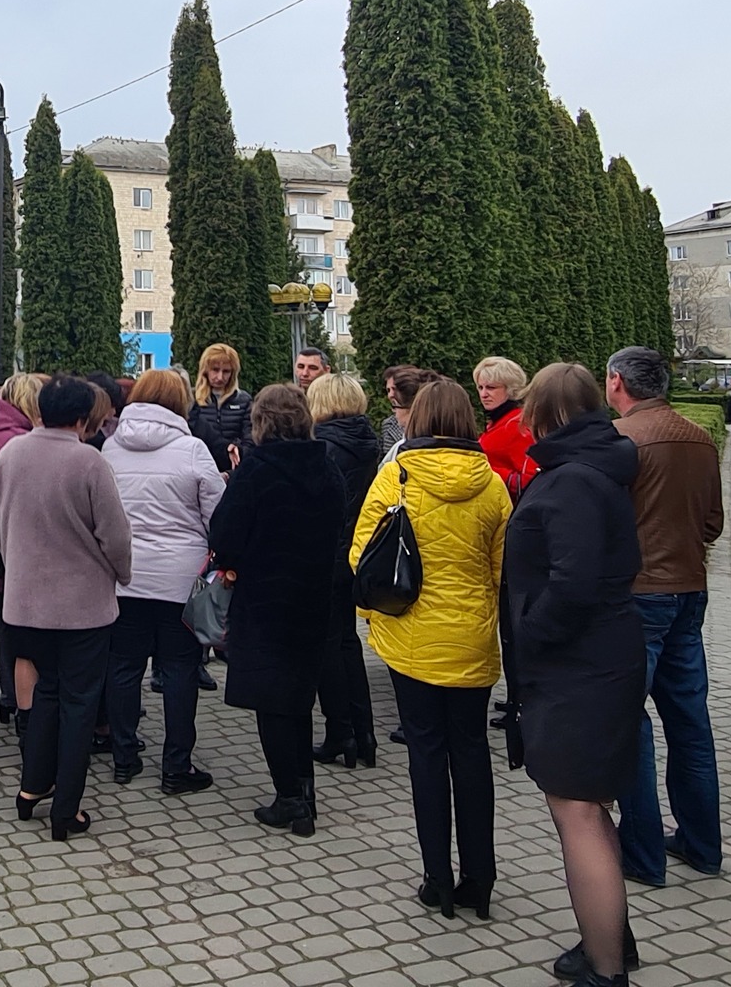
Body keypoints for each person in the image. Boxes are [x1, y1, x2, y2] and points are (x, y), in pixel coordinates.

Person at [505, 364, 644, 987]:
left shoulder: (571, 483)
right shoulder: (594, 468)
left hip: (578, 666)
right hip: (597, 658)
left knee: (578, 811)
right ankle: (609, 937)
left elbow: (574, 583)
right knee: (589, 804)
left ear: (542, 413)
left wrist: (531, 631)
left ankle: (606, 966)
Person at [354, 377, 510, 911]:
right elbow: (501, 571)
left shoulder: (394, 477)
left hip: (411, 637)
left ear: (416, 418)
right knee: (471, 752)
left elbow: (361, 558)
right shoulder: (492, 484)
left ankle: (436, 877)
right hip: (471, 638)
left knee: (426, 751)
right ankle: (481, 879)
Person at [0, 375, 133, 842]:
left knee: (45, 693)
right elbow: (115, 534)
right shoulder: (88, 461)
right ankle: (66, 809)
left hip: (25, 604)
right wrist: (121, 574)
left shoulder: (10, 453)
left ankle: (32, 788)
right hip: (82, 609)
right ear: (81, 418)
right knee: (79, 704)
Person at [604, 346, 725, 897]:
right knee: (690, 723)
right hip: (688, 588)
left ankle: (643, 853)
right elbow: (713, 522)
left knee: (630, 724)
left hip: (638, 595)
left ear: (616, 383)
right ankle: (702, 845)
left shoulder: (621, 440)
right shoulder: (699, 438)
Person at [210, 384, 346, 838]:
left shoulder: (256, 471)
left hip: (264, 596)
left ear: (262, 422)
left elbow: (225, 535)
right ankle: (305, 793)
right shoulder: (328, 467)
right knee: (298, 696)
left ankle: (289, 797)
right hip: (312, 594)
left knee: (271, 701)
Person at [101, 367, 220, 794]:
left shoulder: (111, 448)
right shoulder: (193, 450)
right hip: (179, 580)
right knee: (180, 668)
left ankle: (124, 756)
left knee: (124, 667)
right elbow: (216, 514)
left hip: (125, 577)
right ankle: (176, 765)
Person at [309, 372, 382, 768]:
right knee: (347, 643)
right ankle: (364, 733)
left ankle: (341, 733)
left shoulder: (323, 446)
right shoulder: (367, 442)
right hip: (357, 552)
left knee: (327, 647)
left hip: (328, 553)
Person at [0, 372, 45, 724]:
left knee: (6, 623)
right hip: (11, 545)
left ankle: (8, 696)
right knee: (18, 626)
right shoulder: (16, 441)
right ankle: (19, 698)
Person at [473, 357, 538, 499]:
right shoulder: (498, 421)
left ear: (510, 389)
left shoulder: (518, 425)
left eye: (491, 387)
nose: (483, 394)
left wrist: (484, 470)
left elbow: (530, 480)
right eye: (480, 387)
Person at [187, 343, 251, 473]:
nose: (220, 377)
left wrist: (239, 450)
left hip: (234, 471)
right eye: (215, 370)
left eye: (226, 371)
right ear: (205, 370)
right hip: (198, 469)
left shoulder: (244, 400)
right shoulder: (191, 400)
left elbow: (251, 437)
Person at [378, 366, 428, 459]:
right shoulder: (389, 425)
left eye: (394, 389)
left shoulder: (431, 419)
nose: (390, 395)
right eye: (388, 390)